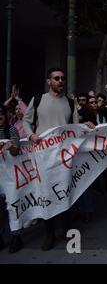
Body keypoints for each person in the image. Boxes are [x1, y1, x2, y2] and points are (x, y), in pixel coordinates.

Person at [22, 67, 92, 251]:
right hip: (44, 157)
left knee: (65, 192)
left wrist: (87, 126)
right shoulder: (38, 100)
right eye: (56, 78)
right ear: (49, 81)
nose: (61, 81)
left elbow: (76, 126)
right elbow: (25, 121)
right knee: (46, 194)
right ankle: (50, 234)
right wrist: (30, 136)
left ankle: (67, 231)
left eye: (62, 78)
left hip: (65, 156)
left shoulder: (69, 102)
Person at [0, 104, 22, 253]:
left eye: (1, 114)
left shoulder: (12, 130)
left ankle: (16, 237)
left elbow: (16, 151)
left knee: (13, 205)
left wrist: (10, 147)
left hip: (9, 175)